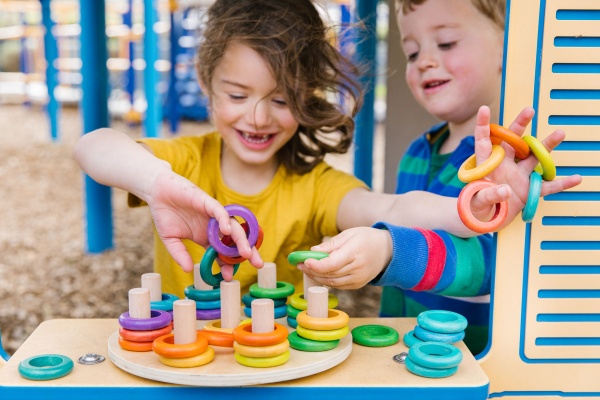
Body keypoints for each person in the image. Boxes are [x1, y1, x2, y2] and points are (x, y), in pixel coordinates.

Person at [75, 0, 533, 302]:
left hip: (283, 365)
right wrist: (154, 182)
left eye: (281, 100)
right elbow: (93, 146)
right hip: (185, 358)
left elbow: (393, 206)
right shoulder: (184, 163)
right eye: (237, 96)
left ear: (308, 97)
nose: (257, 117)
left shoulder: (316, 186)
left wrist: (474, 208)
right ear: (207, 87)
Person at [297, 0, 582, 355]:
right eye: (412, 52)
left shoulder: (514, 165)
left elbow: (490, 266)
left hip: (467, 363)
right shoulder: (417, 152)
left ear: (507, 47)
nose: (425, 61)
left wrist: (391, 252)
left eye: (446, 43)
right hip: (404, 352)